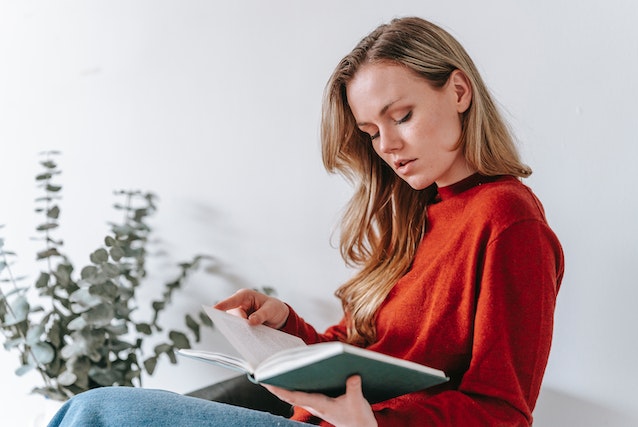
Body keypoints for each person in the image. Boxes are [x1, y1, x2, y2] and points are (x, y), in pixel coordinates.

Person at [47, 16, 564, 427]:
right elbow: (359, 354)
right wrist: (285, 326)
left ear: (458, 92)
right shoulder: (414, 215)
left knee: (98, 411)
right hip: (318, 415)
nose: (387, 146)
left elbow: (504, 412)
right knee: (91, 413)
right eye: (370, 131)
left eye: (401, 116)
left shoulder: (507, 218)